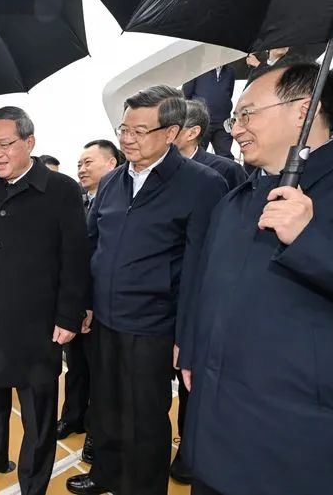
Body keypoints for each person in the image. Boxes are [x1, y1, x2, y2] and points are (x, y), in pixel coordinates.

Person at [179, 63, 333, 495]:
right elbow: (204, 287)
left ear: (304, 110)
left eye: (247, 114)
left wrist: (311, 238)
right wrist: (192, 348)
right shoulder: (234, 201)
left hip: (305, 448)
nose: (235, 130)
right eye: (234, 118)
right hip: (216, 437)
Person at [66, 87, 227, 495]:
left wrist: (186, 337)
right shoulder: (112, 181)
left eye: (140, 130)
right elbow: (91, 245)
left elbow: (200, 269)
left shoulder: (202, 184)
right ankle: (105, 473)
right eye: (124, 129)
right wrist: (84, 304)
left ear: (171, 132)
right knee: (106, 406)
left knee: (145, 419)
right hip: (104, 321)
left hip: (154, 326)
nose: (128, 138)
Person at [0, 106, 90, 495]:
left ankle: (33, 483)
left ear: (29, 142)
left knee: (38, 413)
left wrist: (69, 315)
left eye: (5, 144)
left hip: (37, 323)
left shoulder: (61, 190)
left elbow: (75, 258)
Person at [57, 139, 124, 462]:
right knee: (76, 367)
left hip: (104, 305)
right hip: (77, 301)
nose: (81, 169)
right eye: (79, 164)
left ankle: (97, 433)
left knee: (102, 374)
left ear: (112, 164)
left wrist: (92, 304)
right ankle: (73, 417)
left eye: (88, 163)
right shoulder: (79, 203)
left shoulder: (121, 206)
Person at [175, 99, 248, 189]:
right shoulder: (160, 165)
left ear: (192, 133)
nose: (162, 133)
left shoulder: (227, 170)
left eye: (171, 128)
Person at [182, 66, 236, 159]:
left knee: (226, 155)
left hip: (222, 121)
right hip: (201, 121)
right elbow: (186, 94)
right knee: (197, 155)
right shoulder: (198, 69)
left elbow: (229, 94)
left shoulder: (230, 71)